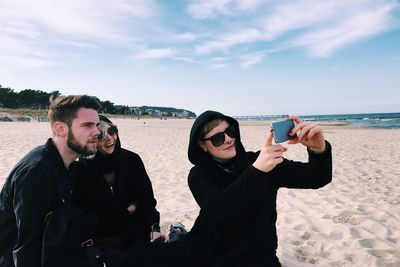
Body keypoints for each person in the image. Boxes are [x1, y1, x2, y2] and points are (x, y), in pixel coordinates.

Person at [122, 110, 332, 267]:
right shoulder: (199, 175)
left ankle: (178, 233)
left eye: (230, 131)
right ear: (203, 145)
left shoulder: (262, 161)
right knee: (137, 254)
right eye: (217, 137)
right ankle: (179, 234)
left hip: (259, 256)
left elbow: (317, 177)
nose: (229, 139)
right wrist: (257, 170)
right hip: (209, 251)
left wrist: (318, 149)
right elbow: (220, 210)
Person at [0, 95, 101, 267]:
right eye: (87, 125)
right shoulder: (37, 172)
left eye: (97, 125)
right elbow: (26, 247)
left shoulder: (66, 163)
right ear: (60, 129)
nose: (97, 132)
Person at [71, 115, 160, 265]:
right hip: (101, 242)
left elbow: (147, 202)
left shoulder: (132, 161)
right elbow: (85, 215)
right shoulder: (81, 169)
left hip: (136, 236)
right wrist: (127, 211)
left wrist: (154, 229)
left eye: (112, 132)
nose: (110, 139)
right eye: (101, 136)